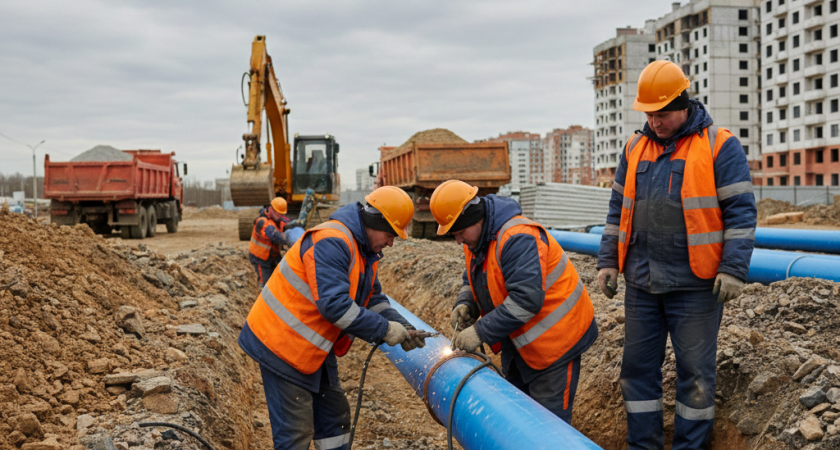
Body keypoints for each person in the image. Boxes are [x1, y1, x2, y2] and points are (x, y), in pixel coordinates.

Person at [596, 60, 756, 450]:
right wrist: (607, 261)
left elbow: (741, 212)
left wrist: (733, 269)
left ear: (683, 103)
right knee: (636, 372)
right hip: (642, 282)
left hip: (695, 285)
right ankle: (643, 446)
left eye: (662, 114)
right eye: (649, 114)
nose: (655, 122)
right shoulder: (635, 147)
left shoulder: (720, 145)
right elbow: (617, 210)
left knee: (696, 376)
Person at [238, 186, 426, 450]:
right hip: (280, 344)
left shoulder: (362, 250)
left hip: (311, 346)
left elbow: (372, 297)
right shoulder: (333, 241)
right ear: (375, 222)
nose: (391, 242)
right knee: (296, 431)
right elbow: (335, 307)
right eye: (390, 234)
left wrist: (404, 326)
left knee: (333, 417)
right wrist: (384, 330)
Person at [429, 180, 598, 425]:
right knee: (519, 421)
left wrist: (480, 331)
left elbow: (526, 301)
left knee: (547, 428)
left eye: (459, 232)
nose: (458, 241)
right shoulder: (477, 238)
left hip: (557, 343)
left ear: (474, 218)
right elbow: (473, 276)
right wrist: (467, 302)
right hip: (520, 343)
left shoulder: (518, 237)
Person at [249, 197, 291, 288]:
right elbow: (274, 235)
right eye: (278, 213)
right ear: (271, 209)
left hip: (272, 255)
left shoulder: (277, 218)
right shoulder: (262, 221)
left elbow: (287, 222)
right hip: (260, 257)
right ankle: (261, 296)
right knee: (265, 283)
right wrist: (288, 238)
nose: (280, 216)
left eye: (281, 214)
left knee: (282, 274)